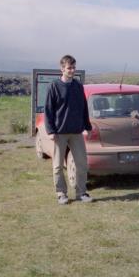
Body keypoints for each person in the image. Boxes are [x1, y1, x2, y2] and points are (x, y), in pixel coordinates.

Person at [44, 55, 93, 205]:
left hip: (76, 132)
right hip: (60, 133)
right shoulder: (54, 86)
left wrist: (87, 127)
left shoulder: (78, 86)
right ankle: (61, 194)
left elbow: (83, 108)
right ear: (62, 69)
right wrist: (50, 131)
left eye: (73, 67)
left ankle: (81, 193)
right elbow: (49, 110)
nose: (72, 70)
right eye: (69, 68)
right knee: (58, 165)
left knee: (82, 164)